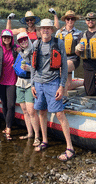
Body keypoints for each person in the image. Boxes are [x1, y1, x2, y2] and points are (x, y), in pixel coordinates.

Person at [31, 19, 75, 161]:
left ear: (52, 30)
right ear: (40, 30)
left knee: (60, 114)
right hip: (38, 83)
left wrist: (62, 86)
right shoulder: (36, 44)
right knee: (42, 112)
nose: (45, 30)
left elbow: (63, 66)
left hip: (53, 83)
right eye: (43, 28)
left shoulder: (58, 43)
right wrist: (32, 84)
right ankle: (45, 140)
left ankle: (70, 147)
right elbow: (33, 66)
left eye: (48, 28)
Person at [0, 29, 18, 140]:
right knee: (4, 105)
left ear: (11, 39)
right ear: (2, 38)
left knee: (11, 105)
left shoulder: (15, 49)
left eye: (8, 37)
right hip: (1, 81)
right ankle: (7, 126)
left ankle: (8, 128)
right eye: (4, 37)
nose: (6, 39)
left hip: (12, 81)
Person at [15, 32, 40, 147]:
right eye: (21, 41)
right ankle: (29, 133)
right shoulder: (20, 53)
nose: (23, 42)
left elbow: (39, 69)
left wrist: (29, 68)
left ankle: (37, 136)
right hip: (19, 83)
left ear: (28, 39)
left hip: (30, 84)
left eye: (25, 39)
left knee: (31, 111)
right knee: (24, 110)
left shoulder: (34, 51)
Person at [51, 9, 83, 97]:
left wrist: (80, 47)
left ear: (74, 20)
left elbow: (82, 49)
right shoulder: (59, 32)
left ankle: (63, 99)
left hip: (73, 59)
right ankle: (87, 82)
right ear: (65, 20)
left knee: (62, 69)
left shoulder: (79, 33)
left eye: (72, 19)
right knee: (68, 85)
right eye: (68, 19)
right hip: (61, 58)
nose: (70, 21)